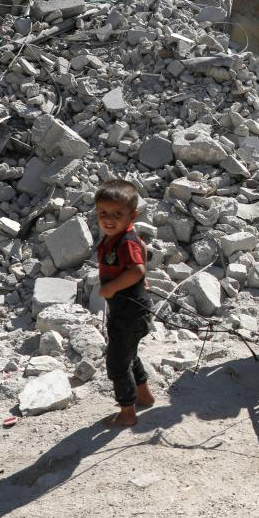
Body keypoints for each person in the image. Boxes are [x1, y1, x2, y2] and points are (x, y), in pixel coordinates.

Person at [94, 179, 154, 427]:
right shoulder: (120, 236)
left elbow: (136, 269)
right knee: (129, 355)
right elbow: (143, 248)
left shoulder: (125, 240)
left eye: (117, 214)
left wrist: (111, 287)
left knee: (117, 365)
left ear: (132, 215)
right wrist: (143, 279)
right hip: (130, 311)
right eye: (103, 213)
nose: (108, 219)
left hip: (129, 314)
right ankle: (144, 396)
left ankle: (127, 413)